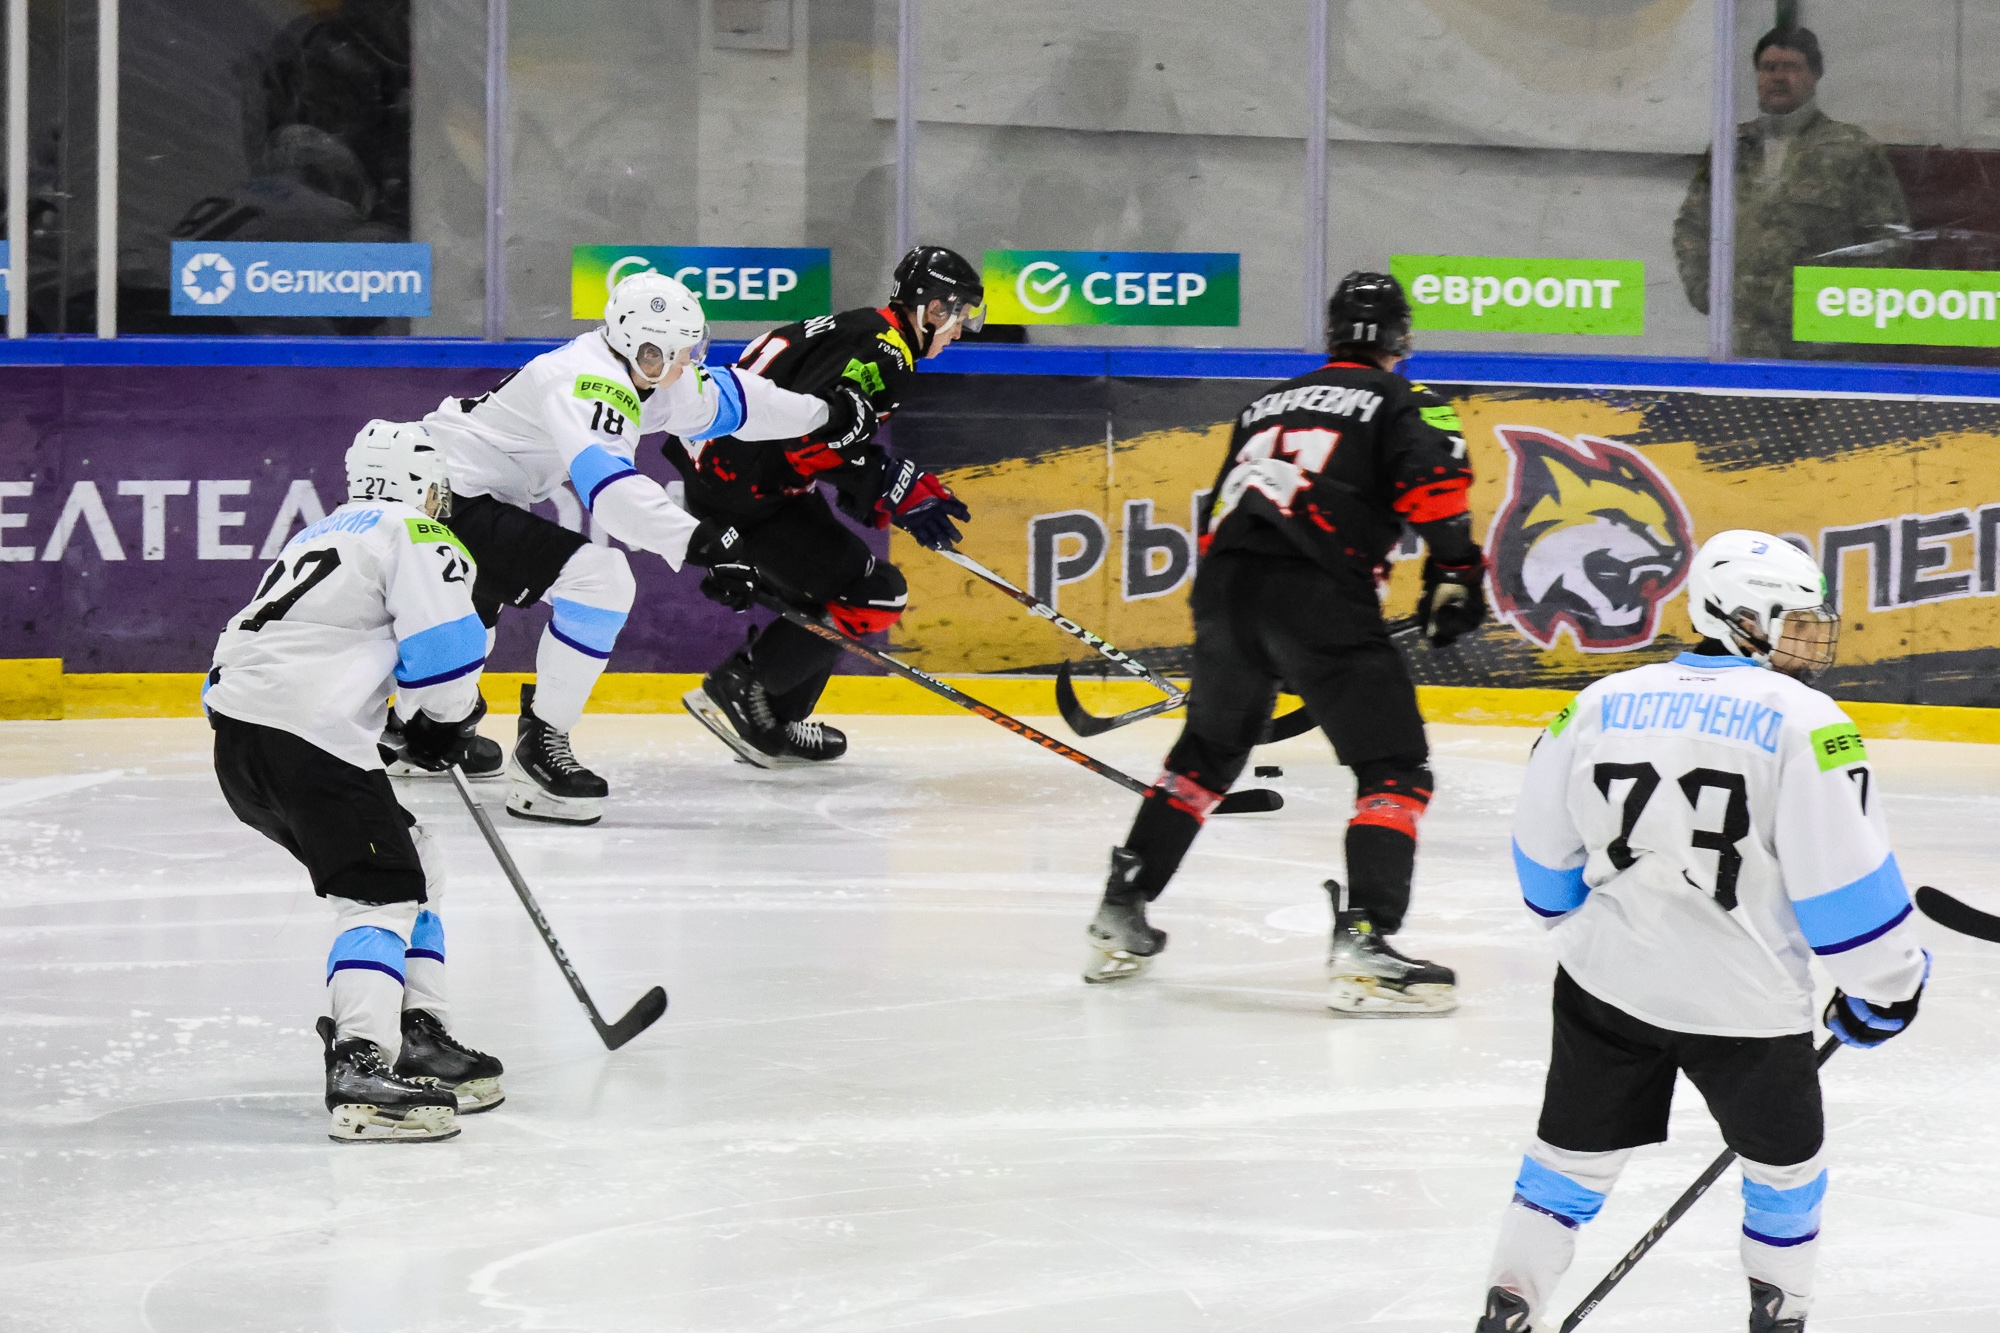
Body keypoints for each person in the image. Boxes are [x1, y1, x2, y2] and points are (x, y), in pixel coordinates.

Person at [1474, 530, 1930, 1333]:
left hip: (1604, 984)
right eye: (1793, 623)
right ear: (1739, 616)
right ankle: (1780, 1313)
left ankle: (1509, 1307)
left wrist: (1585, 929)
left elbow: (1543, 855)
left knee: (1566, 1162)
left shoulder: (1598, 702)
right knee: (1786, 1173)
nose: (1807, 641)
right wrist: (1887, 985)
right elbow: (1843, 881)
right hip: (1747, 1002)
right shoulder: (1808, 721)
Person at [1080, 271, 1487, 1012]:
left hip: (1226, 586)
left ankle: (1121, 909)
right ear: (1401, 339)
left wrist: (1257, 626)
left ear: (1331, 334)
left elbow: (1220, 507)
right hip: (1318, 590)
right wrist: (1455, 571)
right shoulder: (1404, 397)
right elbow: (1434, 483)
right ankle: (1365, 938)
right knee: (1394, 767)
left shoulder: (1266, 402)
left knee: (1205, 759)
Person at [414, 270, 867, 822]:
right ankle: (539, 750)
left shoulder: (650, 374)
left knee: (468, 629)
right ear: (644, 351)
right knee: (599, 581)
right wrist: (700, 542)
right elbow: (611, 493)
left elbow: (735, 399)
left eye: (693, 349)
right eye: (680, 354)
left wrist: (827, 414)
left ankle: (415, 731)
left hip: (460, 487)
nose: (689, 365)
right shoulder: (588, 381)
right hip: (442, 497)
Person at [206, 421, 503, 1143]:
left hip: (242, 739)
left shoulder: (320, 535)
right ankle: (361, 1063)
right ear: (418, 483)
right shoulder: (415, 531)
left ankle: (416, 1032)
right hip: (309, 734)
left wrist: (405, 725)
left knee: (412, 856)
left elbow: (289, 647)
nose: (439, 500)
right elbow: (446, 648)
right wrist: (446, 722)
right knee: (380, 892)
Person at [669, 245, 981, 766]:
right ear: (932, 307)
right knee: (874, 595)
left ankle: (775, 714)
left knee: (846, 591)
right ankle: (742, 684)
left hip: (744, 481)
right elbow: (808, 439)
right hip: (744, 493)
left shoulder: (865, 331)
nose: (961, 329)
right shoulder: (885, 353)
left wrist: (883, 486)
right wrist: (887, 483)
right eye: (959, 313)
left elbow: (818, 432)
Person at [1672, 25, 1909, 359]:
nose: (1778, 77)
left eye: (1792, 67)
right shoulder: (1730, 147)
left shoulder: (1850, 149)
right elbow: (1693, 225)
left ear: (1815, 75)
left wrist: (1835, 302)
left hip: (1821, 347)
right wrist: (1704, 289)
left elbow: (1890, 238)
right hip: (1740, 344)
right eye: (1769, 68)